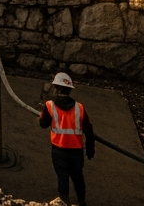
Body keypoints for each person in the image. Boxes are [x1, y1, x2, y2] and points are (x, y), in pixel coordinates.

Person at [38, 72, 95, 206]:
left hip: (59, 149)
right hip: (76, 151)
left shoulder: (49, 106)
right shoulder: (79, 108)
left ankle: (64, 202)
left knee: (62, 177)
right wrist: (90, 150)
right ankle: (82, 201)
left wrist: (45, 115)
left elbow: (43, 124)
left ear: (56, 88)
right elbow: (89, 129)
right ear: (69, 90)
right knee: (78, 177)